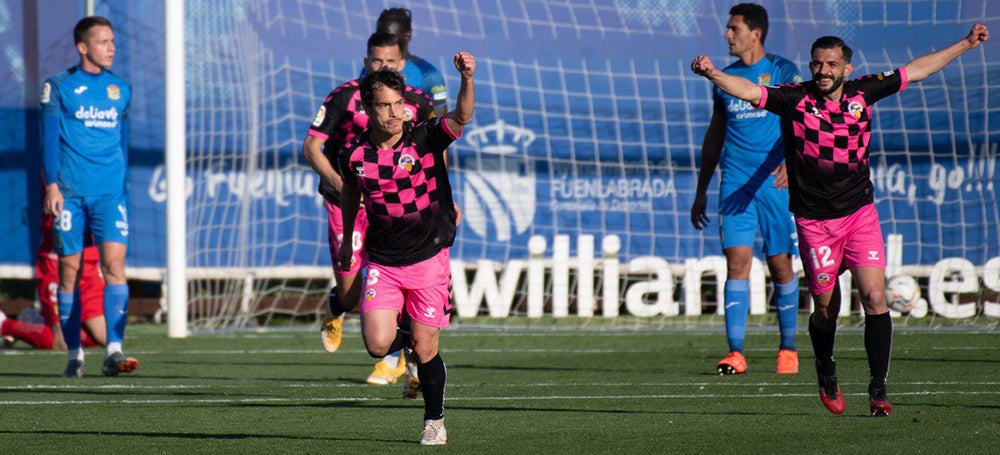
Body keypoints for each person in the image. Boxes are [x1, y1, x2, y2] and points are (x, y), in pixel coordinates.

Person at [692, 24, 990, 416]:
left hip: (860, 214)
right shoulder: (794, 98)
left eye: (831, 64)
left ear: (847, 68)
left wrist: (966, 45)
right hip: (815, 223)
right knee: (826, 310)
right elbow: (749, 91)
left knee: (874, 296)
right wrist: (713, 73)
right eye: (817, 64)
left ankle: (878, 390)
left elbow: (916, 70)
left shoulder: (864, 92)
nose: (823, 71)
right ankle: (826, 369)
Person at [336, 52, 476, 445]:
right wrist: (348, 239)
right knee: (378, 345)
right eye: (385, 105)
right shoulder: (354, 154)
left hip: (430, 256)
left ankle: (434, 421)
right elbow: (349, 191)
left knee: (426, 345)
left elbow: (462, 116)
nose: (395, 113)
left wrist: (466, 78)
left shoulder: (425, 136)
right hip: (383, 260)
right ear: (367, 108)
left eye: (399, 104)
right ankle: (409, 343)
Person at [302, 32, 434, 390]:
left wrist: (444, 195)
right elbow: (312, 147)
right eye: (376, 61)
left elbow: (435, 149)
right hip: (343, 200)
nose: (382, 67)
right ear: (365, 62)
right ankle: (334, 306)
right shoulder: (346, 96)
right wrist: (343, 183)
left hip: (390, 205)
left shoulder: (417, 103)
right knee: (350, 290)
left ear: (402, 64)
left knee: (396, 276)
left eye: (389, 62)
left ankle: (395, 361)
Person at [689, 4, 802, 376]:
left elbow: (801, 119)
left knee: (780, 264)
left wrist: (793, 159)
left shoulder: (783, 71)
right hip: (735, 182)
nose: (727, 35)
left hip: (774, 182)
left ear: (755, 32)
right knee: (736, 263)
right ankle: (735, 352)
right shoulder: (726, 79)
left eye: (733, 28)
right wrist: (701, 188)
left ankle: (788, 350)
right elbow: (715, 134)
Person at [40, 16, 138, 378]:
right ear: (83, 47)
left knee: (114, 266)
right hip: (71, 194)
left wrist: (123, 189)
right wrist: (52, 185)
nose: (111, 48)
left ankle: (114, 350)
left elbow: (122, 144)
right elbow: (49, 140)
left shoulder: (120, 90)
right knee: (69, 272)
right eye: (103, 42)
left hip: (110, 194)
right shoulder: (59, 87)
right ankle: (75, 355)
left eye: (113, 41)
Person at [0, 213, 107, 350]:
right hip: (58, 263)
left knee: (103, 338)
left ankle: (36, 323)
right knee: (62, 342)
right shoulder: (59, 192)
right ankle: (4, 324)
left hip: (89, 264)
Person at [369, 7, 449, 118]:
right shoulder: (371, 68)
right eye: (380, 36)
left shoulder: (429, 75)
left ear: (407, 37)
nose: (385, 42)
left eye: (391, 37)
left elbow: (439, 124)